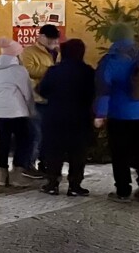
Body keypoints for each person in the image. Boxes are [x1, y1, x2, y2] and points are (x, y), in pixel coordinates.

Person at [95, 22, 139, 202]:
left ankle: (123, 190)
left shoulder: (110, 60)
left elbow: (104, 89)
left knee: (119, 152)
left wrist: (100, 114)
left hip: (120, 112)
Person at [36, 38, 95, 196]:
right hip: (79, 118)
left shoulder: (54, 71)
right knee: (78, 153)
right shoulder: (87, 71)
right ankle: (75, 186)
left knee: (54, 151)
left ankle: (52, 183)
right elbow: (94, 93)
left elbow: (41, 89)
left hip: (55, 116)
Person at [0, 38, 36, 187]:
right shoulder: (19, 70)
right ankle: (17, 174)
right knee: (25, 140)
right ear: (16, 56)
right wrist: (31, 110)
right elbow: (27, 93)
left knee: (3, 141)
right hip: (16, 111)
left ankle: (2, 175)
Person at [22, 24, 60, 171]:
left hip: (53, 99)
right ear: (41, 37)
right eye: (50, 39)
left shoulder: (57, 52)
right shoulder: (29, 52)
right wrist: (52, 71)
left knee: (49, 135)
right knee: (35, 134)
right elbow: (28, 70)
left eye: (55, 39)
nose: (53, 42)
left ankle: (44, 163)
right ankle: (28, 165)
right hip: (37, 98)